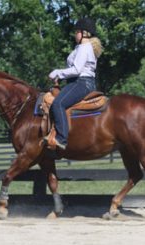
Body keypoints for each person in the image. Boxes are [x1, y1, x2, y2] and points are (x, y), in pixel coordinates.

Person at [47, 17, 102, 150]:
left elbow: (77, 70)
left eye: (77, 31)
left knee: (58, 104)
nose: (75, 34)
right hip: (81, 82)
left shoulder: (84, 47)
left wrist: (57, 73)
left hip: (81, 82)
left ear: (85, 33)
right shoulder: (82, 47)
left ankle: (61, 139)